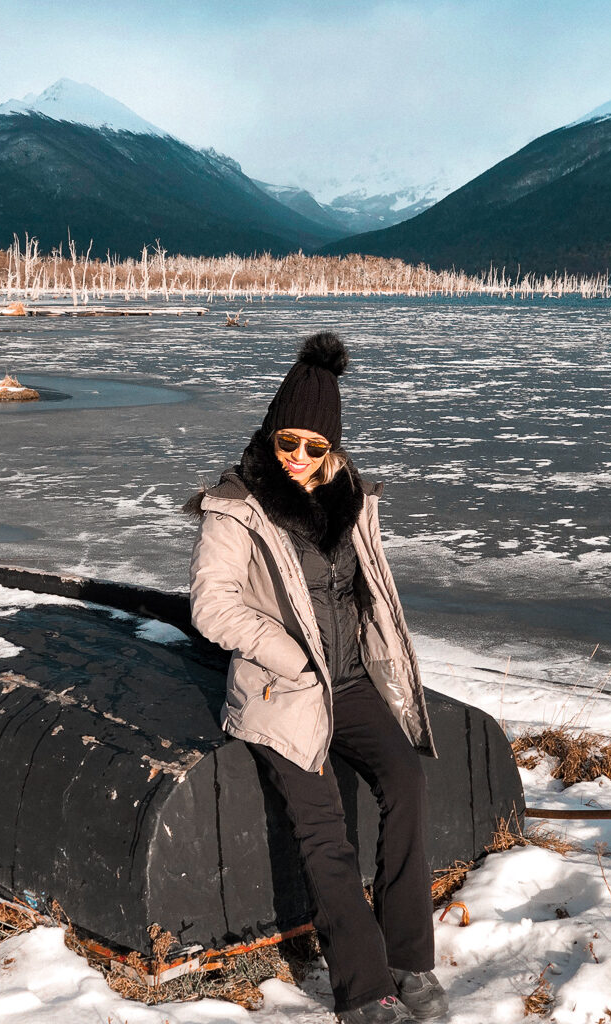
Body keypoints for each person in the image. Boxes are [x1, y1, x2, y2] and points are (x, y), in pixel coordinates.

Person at [187, 332, 449, 1023]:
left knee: (407, 779)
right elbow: (212, 605)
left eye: (314, 445)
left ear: (332, 447)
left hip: (350, 680)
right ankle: (364, 991)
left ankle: (408, 957)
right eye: (287, 442)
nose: (298, 457)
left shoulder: (351, 499)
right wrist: (292, 655)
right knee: (325, 829)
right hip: (284, 689)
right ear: (270, 434)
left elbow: (369, 593)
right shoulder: (236, 506)